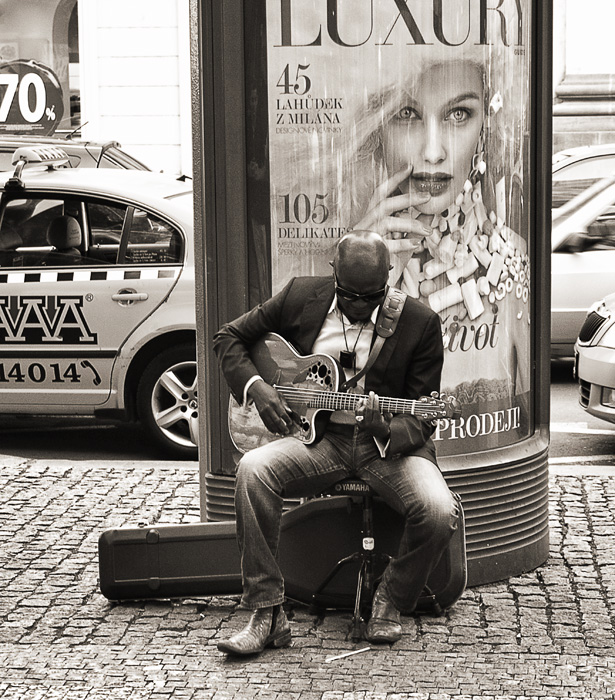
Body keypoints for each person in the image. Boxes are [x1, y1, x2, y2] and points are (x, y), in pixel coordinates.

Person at [213, 230, 459, 656]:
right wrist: (257, 388)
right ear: (333, 274)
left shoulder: (420, 322)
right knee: (253, 471)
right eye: (349, 295)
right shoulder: (299, 296)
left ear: (389, 275)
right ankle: (267, 612)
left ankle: (391, 598)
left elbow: (421, 421)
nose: (360, 306)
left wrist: (384, 427)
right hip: (319, 440)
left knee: (439, 510)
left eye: (372, 296)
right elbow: (228, 337)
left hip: (387, 450)